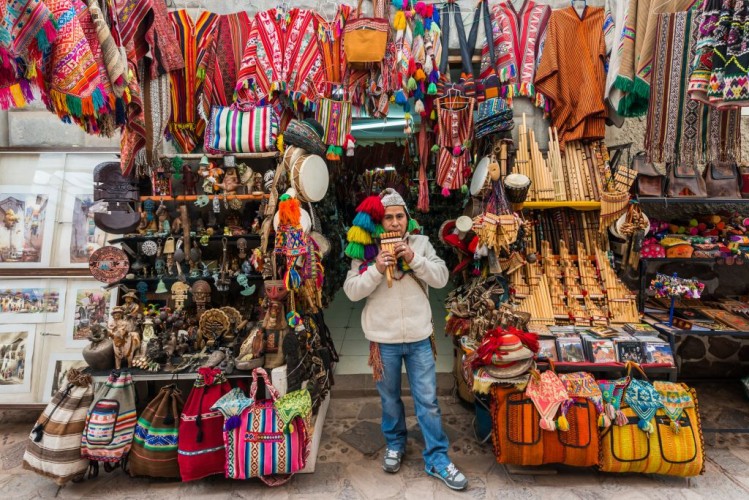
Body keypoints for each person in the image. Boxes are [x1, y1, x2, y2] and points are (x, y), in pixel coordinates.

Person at [343, 188, 467, 491]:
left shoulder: (421, 244)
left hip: (418, 337)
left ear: (407, 219)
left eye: (400, 216)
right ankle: (395, 444)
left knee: (428, 401)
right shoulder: (365, 250)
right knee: (389, 399)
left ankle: (437, 457)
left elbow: (441, 278)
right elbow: (352, 291)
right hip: (382, 339)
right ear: (379, 221)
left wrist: (413, 258)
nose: (395, 223)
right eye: (388, 217)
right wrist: (376, 269)